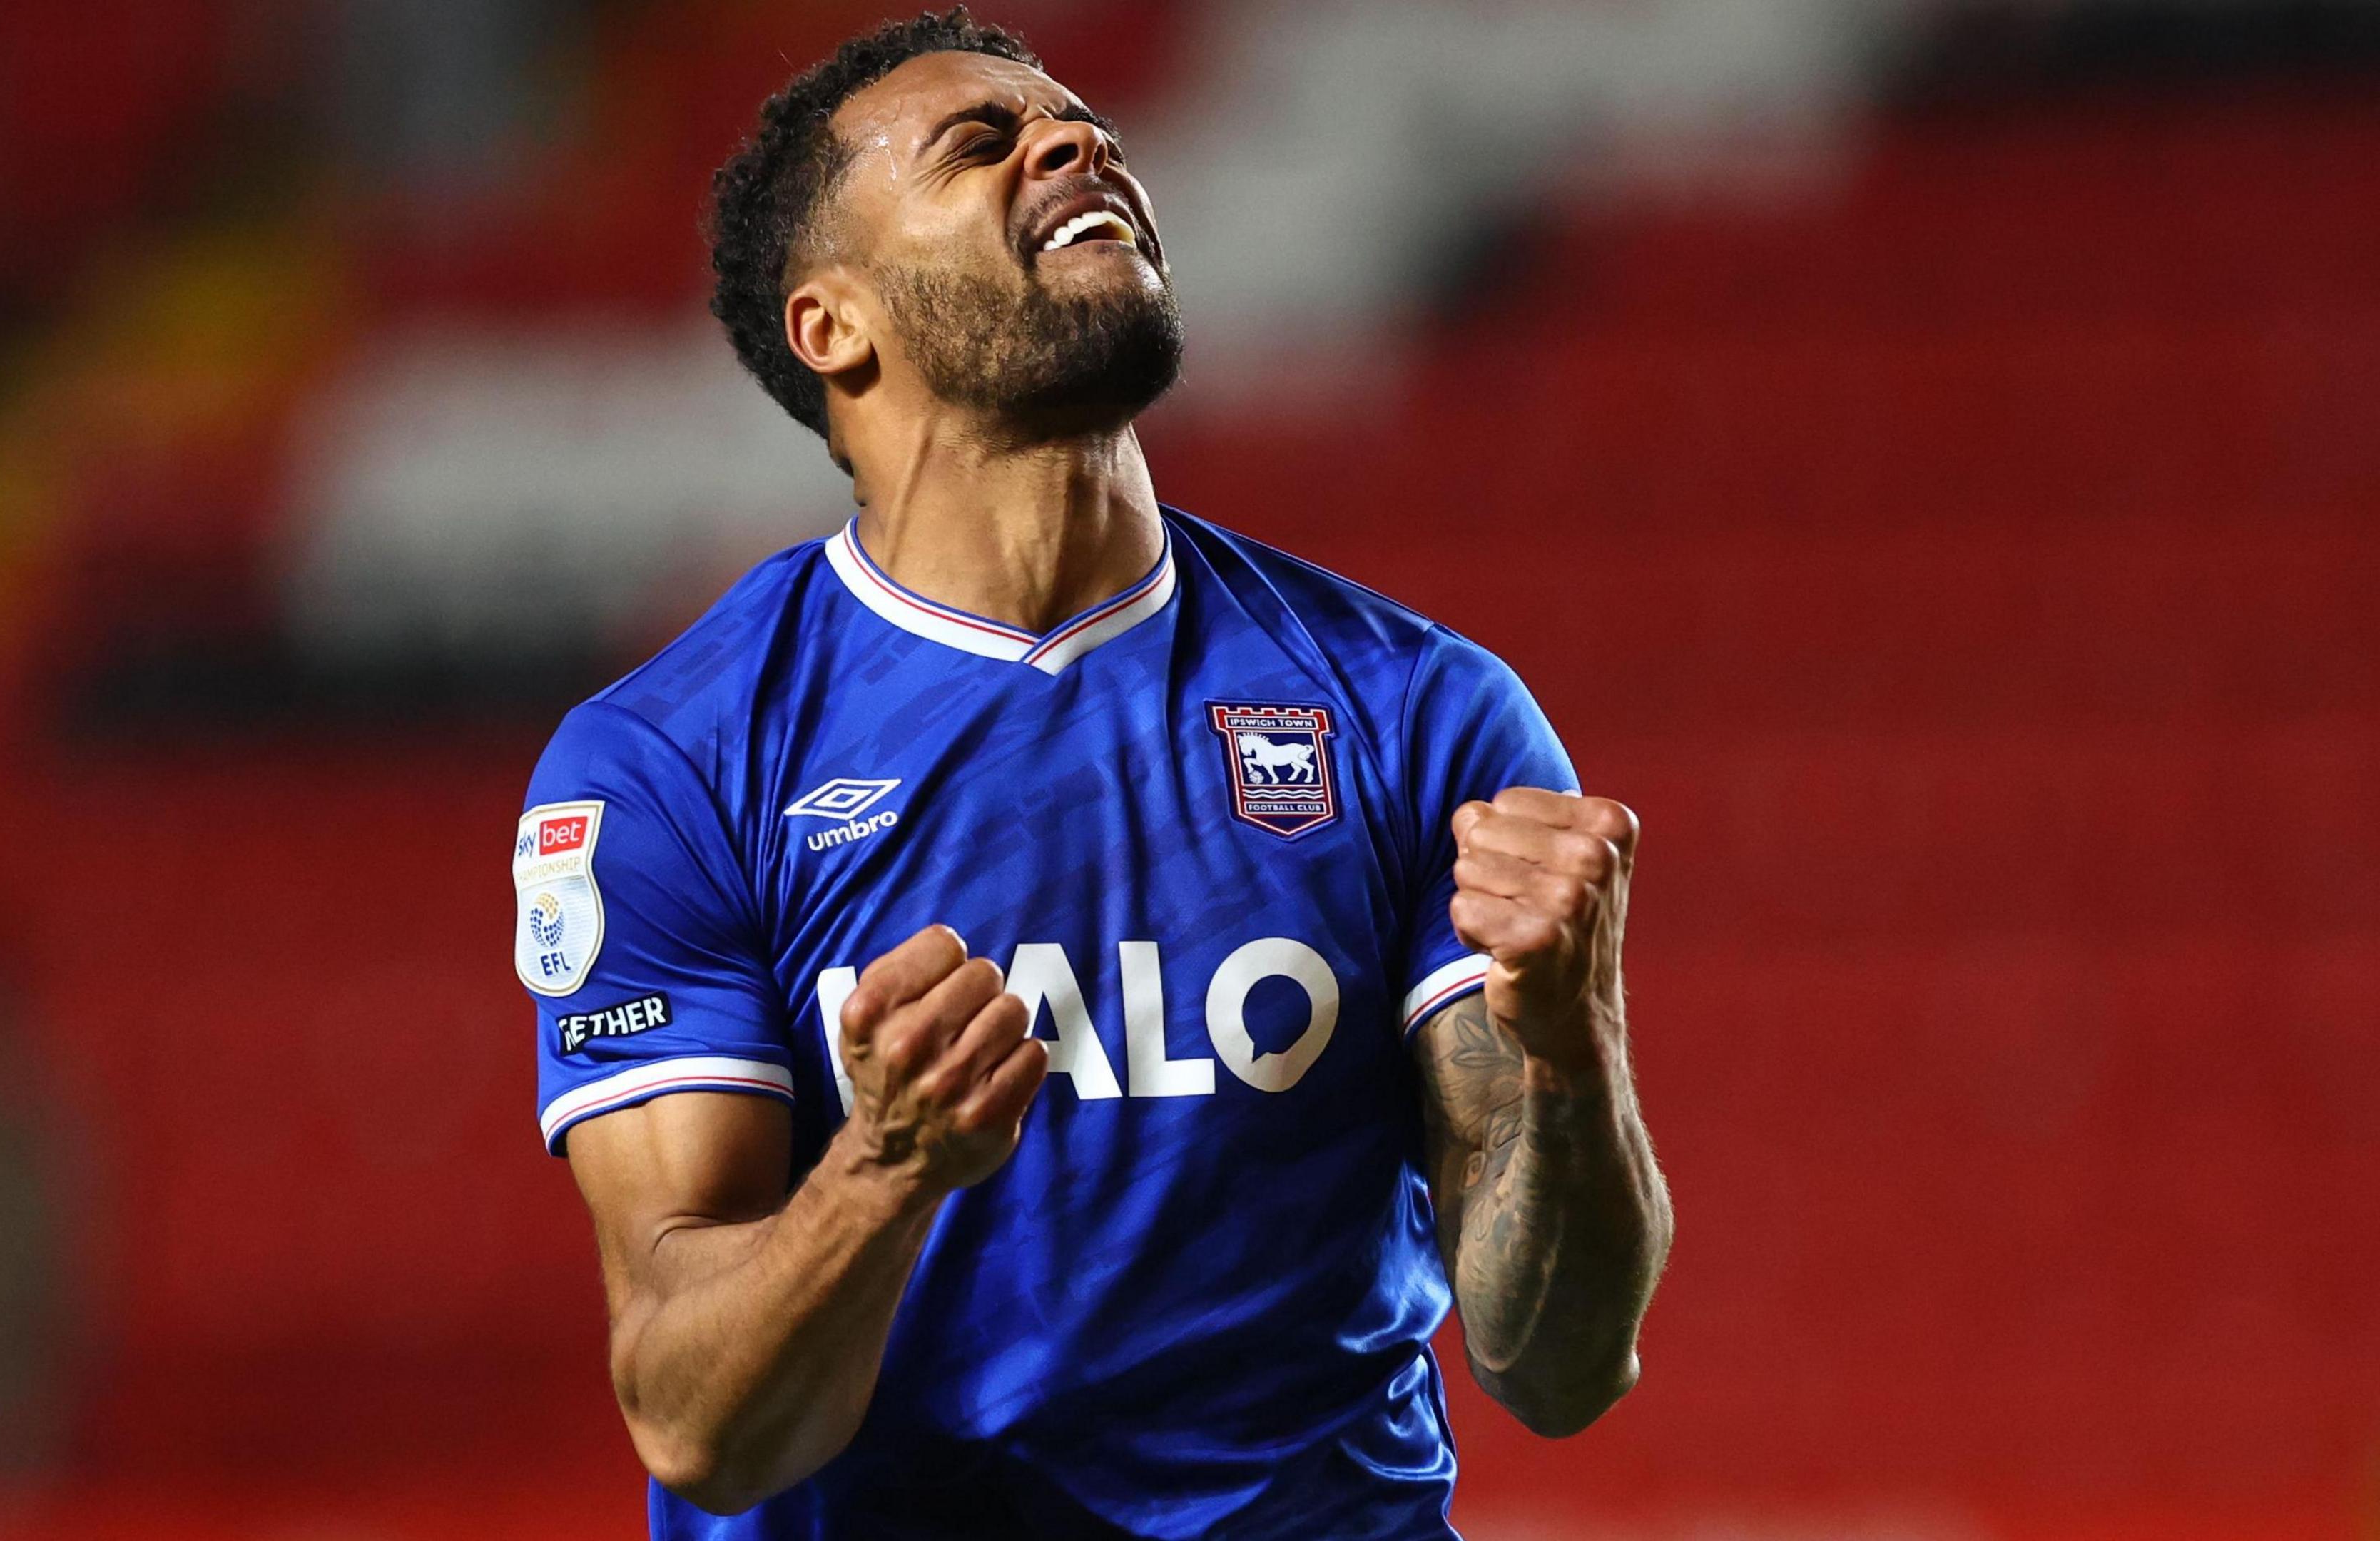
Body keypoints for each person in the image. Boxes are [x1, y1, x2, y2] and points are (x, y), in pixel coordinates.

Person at [514, 11, 1673, 1537]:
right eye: (980, 145)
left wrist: (1575, 1053)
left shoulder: (1414, 712)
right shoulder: (673, 764)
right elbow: (696, 1422)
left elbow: (1560, 1366)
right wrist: (888, 1168)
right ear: (832, 326)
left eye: (1078, 125)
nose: (1077, 143)